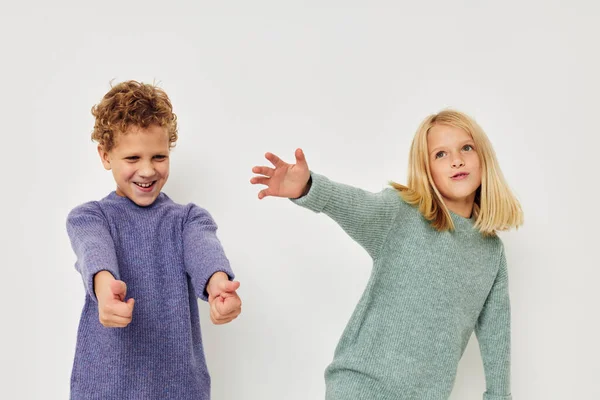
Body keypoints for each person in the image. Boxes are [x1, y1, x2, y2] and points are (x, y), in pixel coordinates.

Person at [250, 110, 522, 400]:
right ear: (426, 169)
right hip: (358, 388)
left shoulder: (491, 253)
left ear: (484, 158)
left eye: (466, 148)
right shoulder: (402, 214)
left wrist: (499, 395)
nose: (457, 159)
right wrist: (308, 187)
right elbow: (355, 205)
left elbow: (496, 334)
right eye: (441, 154)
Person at [66, 80, 242, 400]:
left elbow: (204, 249)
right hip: (106, 390)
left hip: (180, 390)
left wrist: (218, 284)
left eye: (158, 157)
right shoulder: (90, 217)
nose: (147, 170)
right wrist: (105, 291)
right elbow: (94, 252)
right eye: (132, 158)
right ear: (105, 156)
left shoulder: (188, 219)